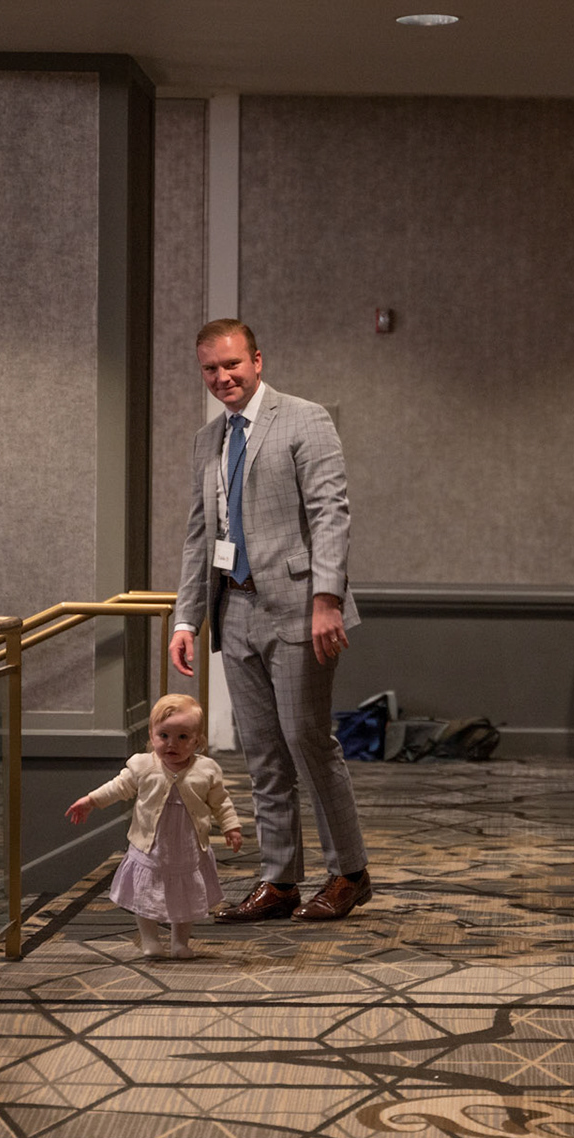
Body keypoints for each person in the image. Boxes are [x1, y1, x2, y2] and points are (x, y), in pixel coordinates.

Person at [167, 319, 373, 924]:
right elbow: (199, 535)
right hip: (236, 609)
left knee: (307, 741)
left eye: (232, 364)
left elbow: (330, 513)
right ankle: (279, 879)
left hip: (300, 609)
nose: (223, 377)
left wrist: (327, 599)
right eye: (210, 369)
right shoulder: (209, 439)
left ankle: (349, 872)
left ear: (257, 360)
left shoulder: (303, 419)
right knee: (261, 753)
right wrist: (187, 617)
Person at [66, 693, 241, 960]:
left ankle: (180, 942)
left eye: (183, 737)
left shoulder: (206, 770)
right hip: (151, 846)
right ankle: (149, 940)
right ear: (152, 734)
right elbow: (118, 787)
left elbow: (221, 803)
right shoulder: (143, 766)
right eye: (164, 736)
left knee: (185, 895)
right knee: (145, 893)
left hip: (188, 847)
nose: (172, 744)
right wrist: (91, 801)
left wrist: (231, 827)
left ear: (198, 740)